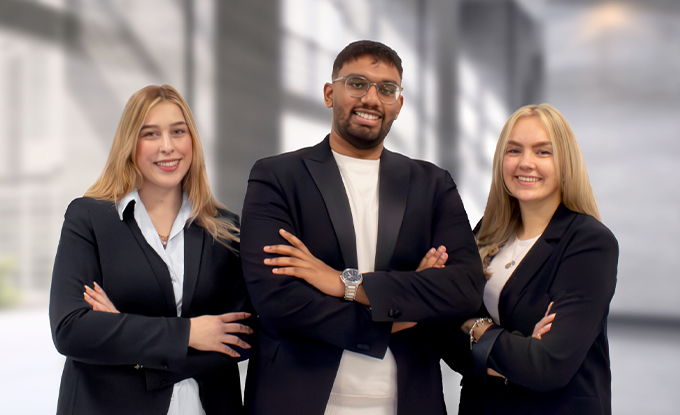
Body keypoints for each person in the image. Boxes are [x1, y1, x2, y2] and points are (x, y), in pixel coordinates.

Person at [240, 40, 485, 415]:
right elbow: (278, 302)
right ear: (329, 93)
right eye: (357, 83)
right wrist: (403, 312)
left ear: (398, 105)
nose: (371, 98)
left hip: (407, 401)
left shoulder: (432, 184)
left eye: (387, 89)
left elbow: (464, 288)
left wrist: (343, 283)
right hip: (297, 399)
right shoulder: (277, 177)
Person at [49, 84, 254, 415]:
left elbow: (241, 337)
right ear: (130, 144)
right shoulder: (89, 218)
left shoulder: (226, 228)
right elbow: (72, 330)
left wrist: (123, 330)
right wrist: (189, 332)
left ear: (192, 141)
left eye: (177, 132)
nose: (167, 147)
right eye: (151, 134)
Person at [445, 104, 618, 414]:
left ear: (565, 162)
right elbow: (444, 333)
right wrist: (516, 348)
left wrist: (475, 329)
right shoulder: (487, 232)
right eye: (514, 151)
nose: (526, 163)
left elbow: (548, 366)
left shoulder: (589, 243)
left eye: (542, 152)